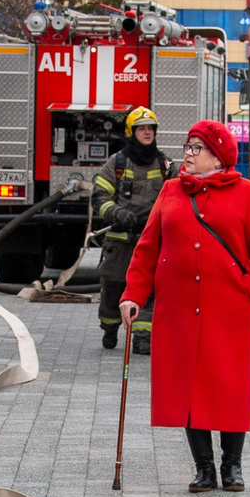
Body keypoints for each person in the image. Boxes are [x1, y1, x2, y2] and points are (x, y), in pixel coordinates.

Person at [118, 118, 250, 493]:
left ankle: (232, 466)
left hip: (229, 311)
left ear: (217, 155)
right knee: (188, 387)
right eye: (186, 147)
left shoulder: (248, 193)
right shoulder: (171, 191)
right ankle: (203, 468)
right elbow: (147, 249)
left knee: (231, 385)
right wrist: (132, 295)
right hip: (178, 310)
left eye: (196, 148)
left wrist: (247, 292)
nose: (187, 154)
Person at [92, 107, 173, 351]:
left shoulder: (165, 164)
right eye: (142, 129)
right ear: (131, 132)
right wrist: (117, 213)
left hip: (151, 240)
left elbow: (179, 195)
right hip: (120, 238)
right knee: (114, 287)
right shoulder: (116, 162)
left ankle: (142, 337)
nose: (147, 133)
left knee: (149, 289)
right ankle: (109, 327)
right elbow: (99, 197)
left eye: (151, 128)